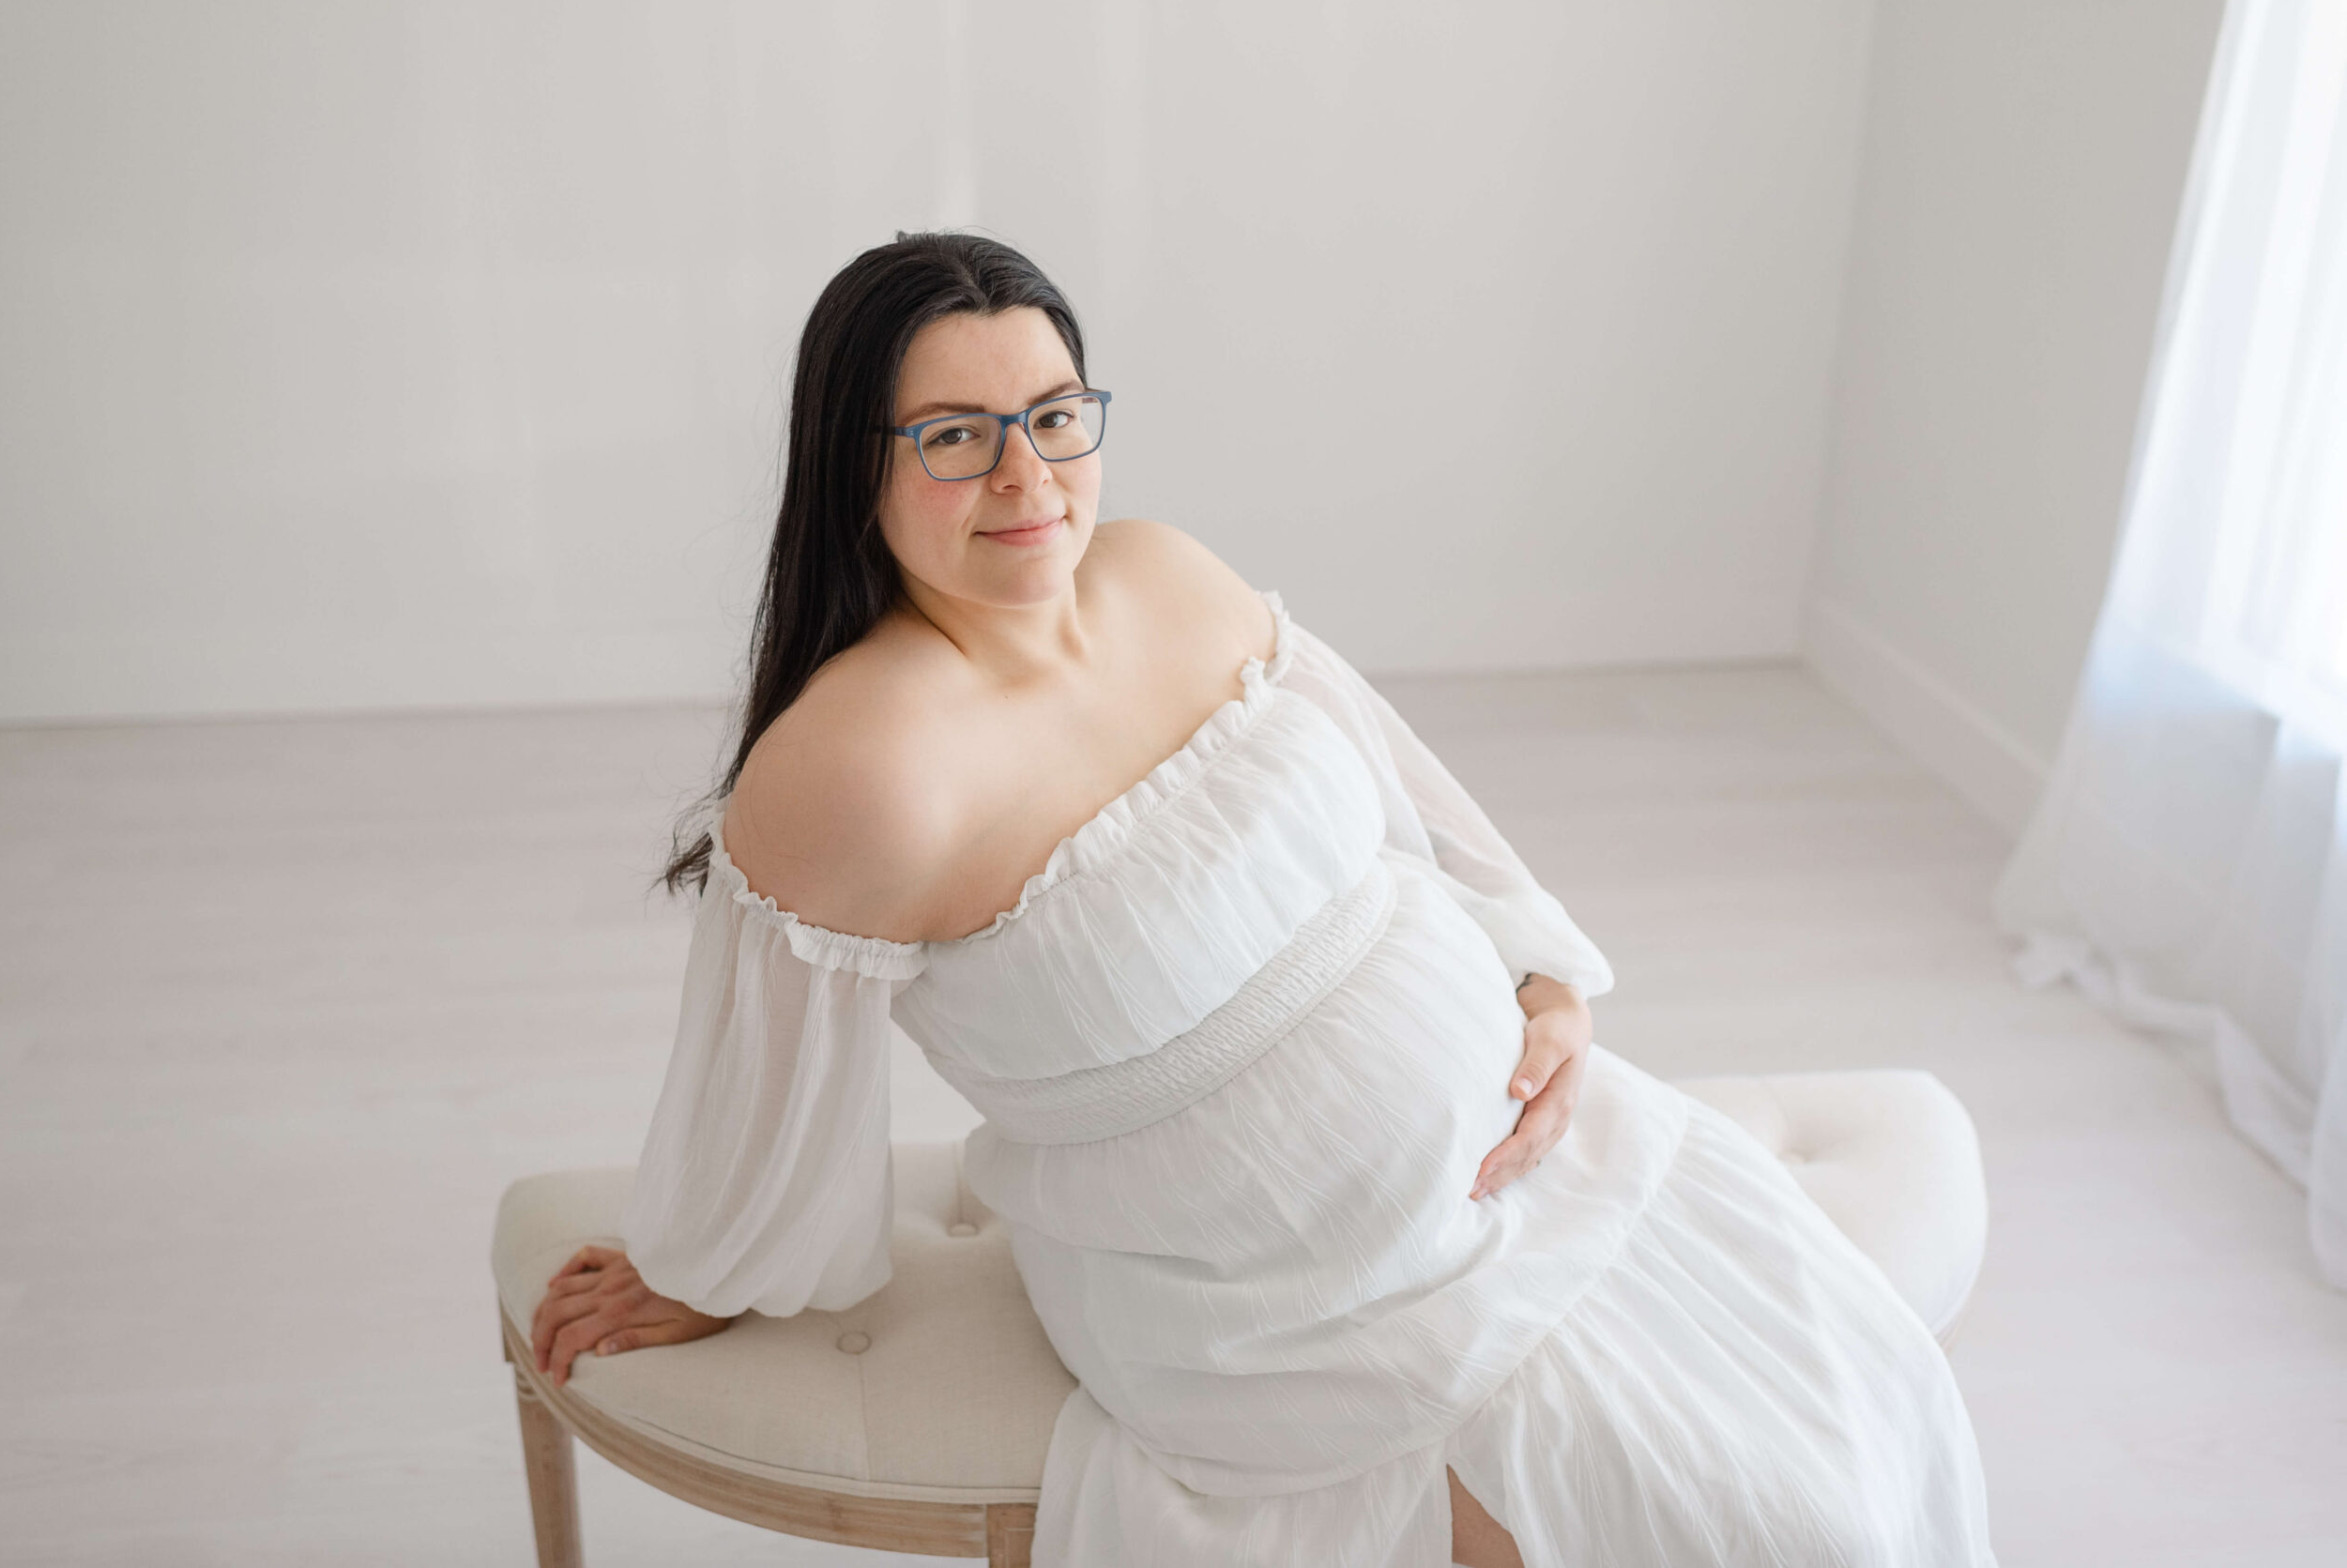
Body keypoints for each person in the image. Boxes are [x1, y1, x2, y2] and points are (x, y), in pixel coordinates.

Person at [526, 231, 1996, 1566]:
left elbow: (1402, 786)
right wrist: (701, 1268)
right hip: (1287, 1300)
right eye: (957, 439)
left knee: (1845, 1476)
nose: (1029, 480)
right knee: (1751, 1527)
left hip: (1527, 1150)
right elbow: (771, 1084)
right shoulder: (860, 773)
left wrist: (1542, 971)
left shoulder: (1164, 574)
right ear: (861, 463)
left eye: (1051, 416)